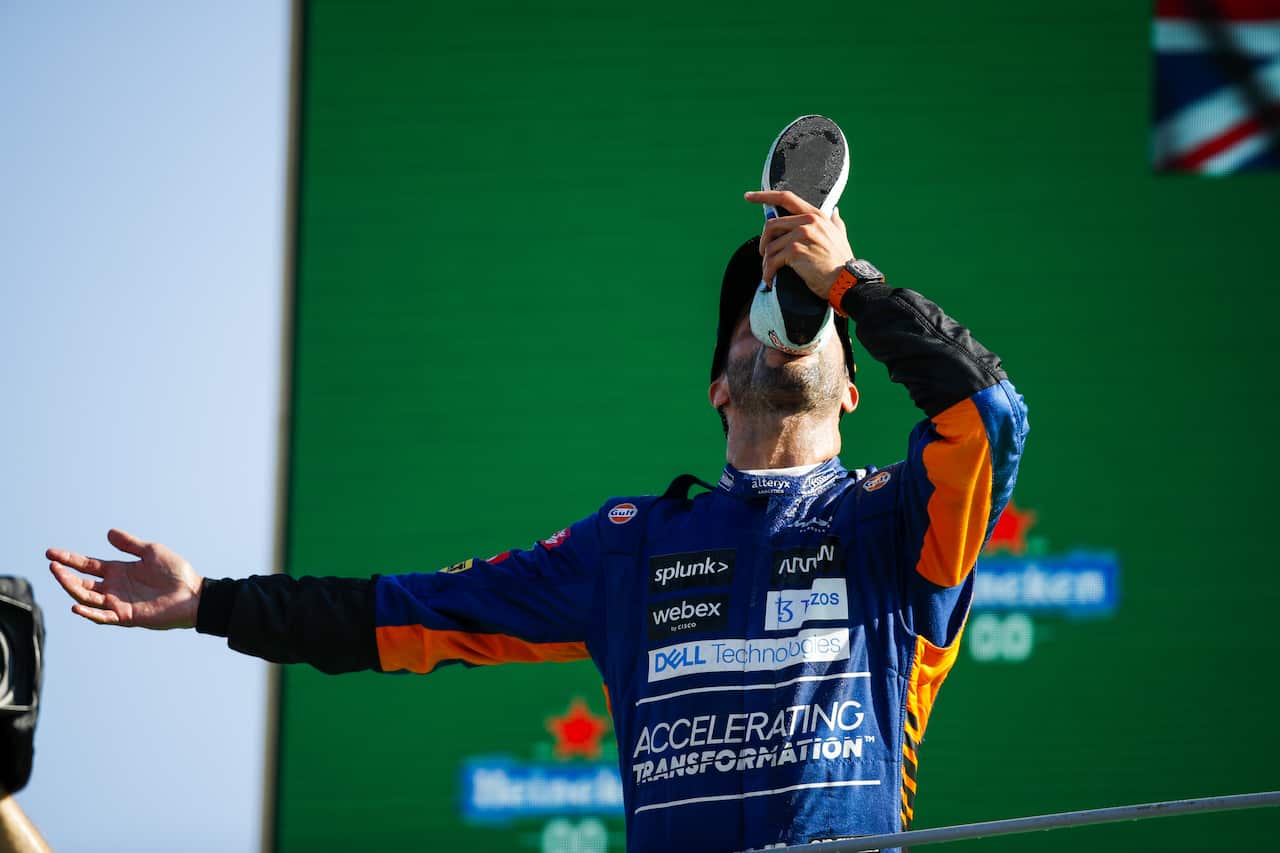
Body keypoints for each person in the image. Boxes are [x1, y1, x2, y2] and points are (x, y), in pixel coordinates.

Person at [48, 189, 1028, 853]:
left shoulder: (899, 527)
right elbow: (399, 614)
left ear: (854, 389)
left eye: (808, 317)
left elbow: (983, 413)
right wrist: (211, 601)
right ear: (716, 389)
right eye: (755, 316)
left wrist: (847, 278)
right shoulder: (628, 546)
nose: (783, 327)